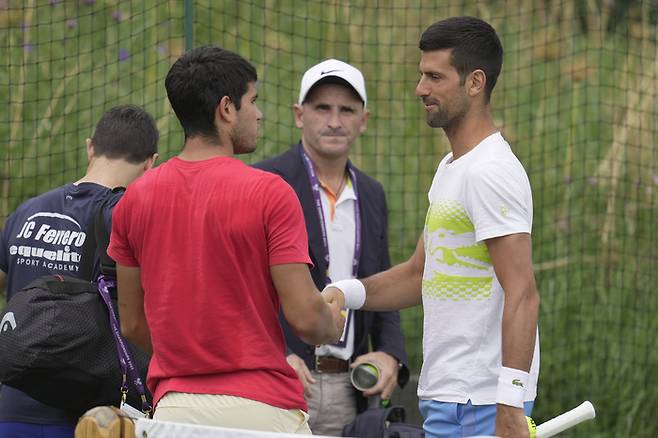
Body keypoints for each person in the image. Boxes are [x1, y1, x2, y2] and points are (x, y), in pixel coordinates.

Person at [107, 46, 345, 434]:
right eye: (253, 100)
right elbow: (306, 317)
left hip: (173, 411)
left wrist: (191, 357)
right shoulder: (270, 192)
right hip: (262, 411)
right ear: (226, 109)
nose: (259, 113)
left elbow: (132, 323)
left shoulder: (133, 199)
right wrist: (330, 320)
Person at [323, 17, 540, 438]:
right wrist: (343, 293)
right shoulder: (451, 168)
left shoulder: (492, 171)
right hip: (444, 396)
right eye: (422, 75)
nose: (421, 89)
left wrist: (510, 403)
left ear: (475, 82)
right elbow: (418, 274)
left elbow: (523, 291)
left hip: (483, 403)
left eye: (434, 77)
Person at [254, 59, 410, 436]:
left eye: (347, 110)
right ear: (298, 115)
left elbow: (382, 284)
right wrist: (273, 355)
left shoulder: (372, 194)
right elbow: (241, 287)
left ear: (364, 120)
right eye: (322, 108)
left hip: (348, 389)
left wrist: (390, 355)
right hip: (278, 379)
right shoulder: (262, 181)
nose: (335, 121)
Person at [0, 104, 159, 438]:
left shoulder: (26, 212)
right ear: (151, 163)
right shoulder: (126, 219)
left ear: (90, 147)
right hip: (90, 419)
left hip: (11, 405)